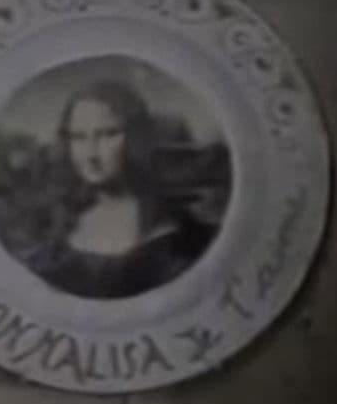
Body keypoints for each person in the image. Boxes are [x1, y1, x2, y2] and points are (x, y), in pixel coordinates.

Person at [29, 80, 217, 299]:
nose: (91, 154)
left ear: (137, 136)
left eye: (108, 134)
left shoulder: (185, 240)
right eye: (78, 137)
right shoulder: (55, 248)